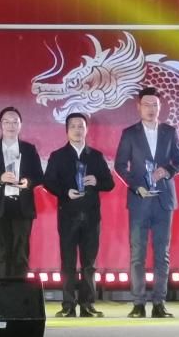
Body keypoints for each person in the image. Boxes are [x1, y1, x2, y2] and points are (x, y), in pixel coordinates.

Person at [114, 86, 179, 318]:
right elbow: (119, 165)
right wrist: (136, 186)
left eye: (155, 105)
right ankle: (138, 303)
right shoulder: (129, 133)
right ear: (138, 107)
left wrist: (167, 170)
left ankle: (159, 303)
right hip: (139, 200)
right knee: (138, 254)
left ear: (160, 107)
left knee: (162, 254)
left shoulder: (169, 131)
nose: (151, 109)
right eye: (146, 105)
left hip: (164, 201)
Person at [43, 112, 115, 318]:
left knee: (89, 263)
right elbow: (48, 182)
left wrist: (97, 181)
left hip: (91, 216)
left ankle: (88, 304)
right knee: (68, 262)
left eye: (81, 126)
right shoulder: (58, 156)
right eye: (73, 126)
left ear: (87, 130)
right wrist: (65, 192)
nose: (77, 130)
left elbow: (109, 183)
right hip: (68, 215)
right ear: (67, 130)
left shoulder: (96, 156)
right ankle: (68, 305)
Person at [0, 107, 44, 280]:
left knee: (21, 251)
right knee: (0, 251)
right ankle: (1, 289)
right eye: (6, 122)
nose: (11, 126)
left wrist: (28, 182)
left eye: (15, 122)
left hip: (22, 206)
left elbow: (39, 176)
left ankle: (19, 290)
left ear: (21, 125)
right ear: (0, 125)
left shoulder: (29, 149)